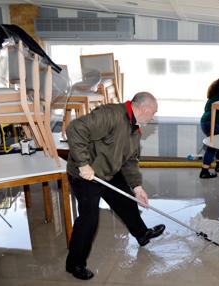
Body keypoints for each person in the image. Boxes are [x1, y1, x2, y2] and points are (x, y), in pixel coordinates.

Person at [65, 92, 165, 280]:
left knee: (127, 202)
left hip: (109, 172)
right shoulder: (111, 114)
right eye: (153, 113)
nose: (153, 118)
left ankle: (142, 234)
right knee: (89, 219)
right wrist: (83, 163)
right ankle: (75, 264)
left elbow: (130, 161)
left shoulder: (135, 130)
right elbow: (75, 128)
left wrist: (137, 187)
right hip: (86, 175)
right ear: (144, 109)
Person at [199, 75, 219, 179]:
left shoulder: (213, 94)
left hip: (205, 122)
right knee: (213, 145)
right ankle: (204, 171)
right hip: (216, 122)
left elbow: (206, 109)